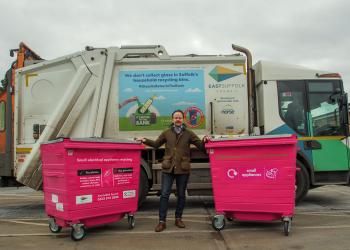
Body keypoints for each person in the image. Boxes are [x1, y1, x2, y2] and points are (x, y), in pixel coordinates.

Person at [136, 110, 209, 232]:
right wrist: (145, 140)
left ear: (183, 119)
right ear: (172, 119)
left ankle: (178, 218)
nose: (178, 119)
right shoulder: (166, 133)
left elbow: (201, 146)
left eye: (180, 117)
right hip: (168, 168)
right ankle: (162, 221)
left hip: (182, 169)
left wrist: (205, 140)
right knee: (164, 195)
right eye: (176, 117)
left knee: (181, 195)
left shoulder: (189, 134)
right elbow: (156, 144)